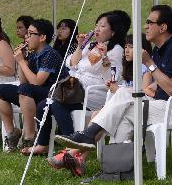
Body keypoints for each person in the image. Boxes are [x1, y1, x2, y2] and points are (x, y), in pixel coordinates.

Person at [56, 5, 172, 155]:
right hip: (162, 103)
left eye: (149, 22)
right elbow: (163, 80)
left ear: (163, 27)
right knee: (123, 95)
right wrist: (151, 85)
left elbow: (171, 88)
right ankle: (99, 154)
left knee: (122, 111)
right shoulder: (159, 49)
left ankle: (97, 153)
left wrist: (149, 63)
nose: (145, 26)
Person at [49, 32, 150, 176]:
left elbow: (143, 92)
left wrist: (118, 89)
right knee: (97, 114)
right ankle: (79, 158)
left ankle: (70, 153)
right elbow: (112, 79)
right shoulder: (129, 68)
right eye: (126, 46)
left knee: (100, 116)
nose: (126, 50)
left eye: (131, 47)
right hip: (125, 106)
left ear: (143, 50)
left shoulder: (144, 68)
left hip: (139, 108)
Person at [34, 12, 127, 160]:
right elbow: (71, 63)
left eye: (102, 26)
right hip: (74, 89)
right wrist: (79, 46)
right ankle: (48, 144)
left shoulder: (116, 50)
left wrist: (104, 57)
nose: (97, 29)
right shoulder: (90, 46)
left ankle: (68, 145)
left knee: (55, 104)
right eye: (96, 25)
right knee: (44, 104)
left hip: (94, 93)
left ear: (112, 32)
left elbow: (113, 78)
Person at [0, 19, 63, 153]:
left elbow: (37, 82)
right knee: (0, 90)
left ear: (42, 37)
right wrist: (21, 61)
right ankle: (12, 133)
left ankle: (30, 137)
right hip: (33, 91)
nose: (27, 37)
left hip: (52, 93)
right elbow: (24, 82)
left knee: (25, 90)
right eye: (27, 34)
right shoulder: (33, 54)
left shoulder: (50, 54)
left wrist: (21, 62)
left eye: (31, 34)